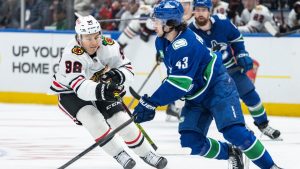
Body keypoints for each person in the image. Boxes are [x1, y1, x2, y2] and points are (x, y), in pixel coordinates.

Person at [132, 0, 282, 169]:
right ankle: (231, 152)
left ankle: (271, 166)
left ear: (170, 24)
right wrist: (158, 97)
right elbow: (176, 76)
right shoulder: (162, 41)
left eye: (158, 20)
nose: (154, 24)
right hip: (196, 96)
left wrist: (151, 103)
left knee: (235, 133)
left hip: (217, 88)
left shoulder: (186, 44)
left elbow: (179, 84)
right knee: (191, 141)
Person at [49, 15, 167, 169]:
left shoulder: (110, 46)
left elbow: (128, 70)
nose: (94, 42)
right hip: (70, 92)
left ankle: (146, 153)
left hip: (99, 86)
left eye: (96, 37)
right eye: (88, 38)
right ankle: (118, 153)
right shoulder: (71, 55)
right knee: (94, 120)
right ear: (79, 38)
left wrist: (118, 76)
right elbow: (81, 89)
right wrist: (103, 90)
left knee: (121, 120)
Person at [189, 0, 281, 140]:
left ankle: (263, 125)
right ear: (194, 11)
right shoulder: (190, 32)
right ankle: (225, 131)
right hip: (210, 76)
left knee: (251, 95)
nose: (200, 13)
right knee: (219, 105)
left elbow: (237, 38)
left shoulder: (223, 23)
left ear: (210, 11)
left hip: (231, 68)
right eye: (197, 9)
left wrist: (241, 53)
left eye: (204, 10)